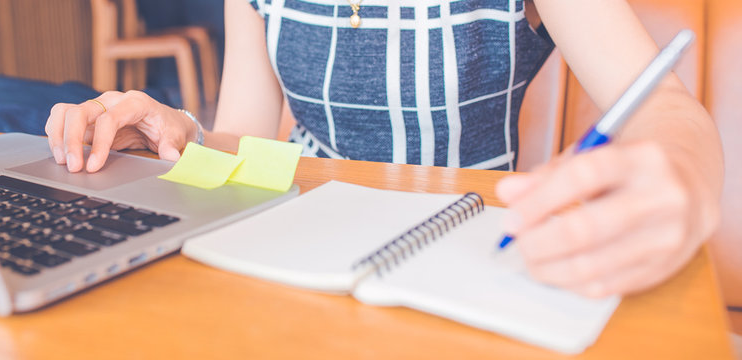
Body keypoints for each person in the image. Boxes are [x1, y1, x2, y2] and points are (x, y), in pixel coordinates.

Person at [44, 0, 723, 298]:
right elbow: (247, 142)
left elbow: (666, 110)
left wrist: (685, 183)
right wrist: (184, 137)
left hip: (464, 259)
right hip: (292, 258)